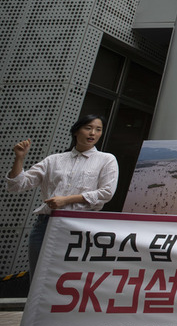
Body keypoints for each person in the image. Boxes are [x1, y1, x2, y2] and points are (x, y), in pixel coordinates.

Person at [6, 114, 119, 281]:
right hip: (45, 224)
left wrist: (67, 200)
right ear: (76, 131)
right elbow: (17, 185)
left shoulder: (106, 159)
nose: (93, 133)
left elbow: (106, 192)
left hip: (80, 226)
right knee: (38, 277)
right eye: (88, 128)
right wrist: (20, 158)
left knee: (69, 277)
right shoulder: (54, 160)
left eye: (98, 129)